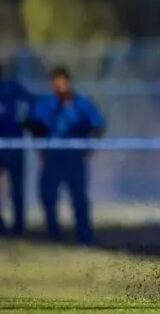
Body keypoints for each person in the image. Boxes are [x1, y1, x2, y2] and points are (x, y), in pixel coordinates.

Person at [27, 67, 104, 244]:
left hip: (74, 158)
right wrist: (40, 150)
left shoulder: (82, 103)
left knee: (78, 197)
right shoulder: (44, 104)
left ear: (69, 82)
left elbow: (98, 126)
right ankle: (53, 234)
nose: (60, 85)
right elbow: (35, 127)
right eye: (56, 82)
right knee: (48, 195)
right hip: (52, 158)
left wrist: (89, 149)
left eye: (63, 81)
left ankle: (84, 235)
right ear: (52, 84)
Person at [0, 63, 33, 236]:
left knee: (17, 188)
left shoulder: (12, 88)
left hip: (14, 146)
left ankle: (19, 226)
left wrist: (26, 122)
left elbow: (33, 102)